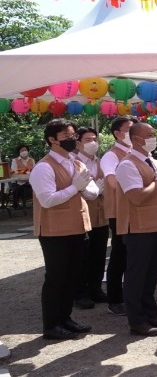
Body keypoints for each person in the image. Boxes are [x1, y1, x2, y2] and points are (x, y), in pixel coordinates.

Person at [30, 119, 100, 340]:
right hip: (54, 231)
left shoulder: (75, 162)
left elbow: (91, 192)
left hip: (79, 227)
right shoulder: (43, 167)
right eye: (66, 136)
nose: (72, 139)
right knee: (56, 278)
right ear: (52, 139)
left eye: (72, 135)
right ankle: (51, 325)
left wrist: (87, 189)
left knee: (73, 276)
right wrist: (75, 187)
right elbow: (48, 200)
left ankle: (65, 318)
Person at [115, 123, 157, 337]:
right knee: (137, 275)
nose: (153, 138)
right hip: (138, 226)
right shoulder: (127, 165)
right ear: (136, 139)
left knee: (151, 275)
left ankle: (150, 314)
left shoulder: (153, 161)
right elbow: (137, 197)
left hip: (156, 224)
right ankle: (137, 320)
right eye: (148, 135)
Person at [101, 115, 135, 317]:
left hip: (136, 210)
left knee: (132, 255)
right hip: (119, 211)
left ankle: (128, 295)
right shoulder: (111, 156)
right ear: (117, 133)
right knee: (120, 253)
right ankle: (114, 299)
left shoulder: (135, 153)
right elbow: (112, 182)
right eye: (129, 129)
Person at [73, 127, 109, 309]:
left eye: (94, 139)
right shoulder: (74, 162)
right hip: (83, 215)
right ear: (78, 143)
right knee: (82, 256)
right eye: (88, 140)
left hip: (101, 215)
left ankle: (96, 289)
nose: (92, 143)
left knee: (99, 253)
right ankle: (80, 293)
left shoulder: (101, 162)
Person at [10, 143, 35, 208]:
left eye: (25, 150)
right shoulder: (15, 160)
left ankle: (36, 203)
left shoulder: (31, 160)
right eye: (22, 150)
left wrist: (22, 171)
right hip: (19, 182)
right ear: (19, 152)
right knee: (18, 188)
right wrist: (27, 171)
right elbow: (14, 171)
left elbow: (34, 171)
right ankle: (16, 204)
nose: (24, 152)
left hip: (31, 182)